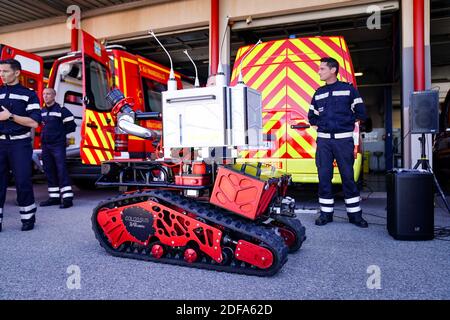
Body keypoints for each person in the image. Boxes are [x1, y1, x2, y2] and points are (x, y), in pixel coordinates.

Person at [308, 57, 368, 228]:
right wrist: (323, 126)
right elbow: (311, 116)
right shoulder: (318, 92)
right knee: (324, 177)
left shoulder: (348, 90)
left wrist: (344, 125)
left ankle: (355, 216)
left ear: (333, 70)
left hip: (343, 141)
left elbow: (361, 112)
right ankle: (326, 214)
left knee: (348, 178)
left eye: (322, 69)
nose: (319, 71)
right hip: (324, 143)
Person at [0, 59, 41, 232]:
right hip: (0, 143)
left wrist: (10, 117)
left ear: (17, 73)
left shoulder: (29, 94)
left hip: (20, 144)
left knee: (23, 181)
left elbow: (34, 122)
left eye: (5, 71)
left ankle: (28, 218)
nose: (2, 75)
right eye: (0, 71)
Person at [39, 88, 76, 209]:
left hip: (57, 145)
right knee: (49, 170)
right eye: (44, 94)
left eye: (48, 94)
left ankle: (67, 199)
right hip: (45, 145)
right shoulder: (42, 111)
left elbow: (72, 126)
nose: (45, 96)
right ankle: (54, 197)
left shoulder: (61, 110)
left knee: (61, 170)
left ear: (54, 96)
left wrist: (60, 136)